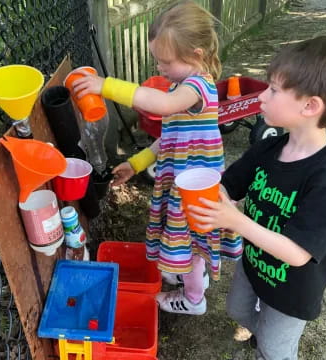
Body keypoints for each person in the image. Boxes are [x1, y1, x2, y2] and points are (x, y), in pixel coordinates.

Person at [187, 36, 326, 358]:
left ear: (310, 105)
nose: (262, 96)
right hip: (254, 264)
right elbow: (230, 183)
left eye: (272, 89)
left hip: (292, 291)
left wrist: (236, 221)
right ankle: (262, 336)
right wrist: (217, 198)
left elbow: (298, 254)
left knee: (274, 348)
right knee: (238, 311)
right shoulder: (269, 148)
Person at [71, 0, 242, 315]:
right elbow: (169, 138)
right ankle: (192, 275)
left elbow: (161, 104)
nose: (159, 68)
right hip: (184, 181)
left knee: (190, 246)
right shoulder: (183, 83)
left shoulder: (197, 88)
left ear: (196, 56)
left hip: (193, 190)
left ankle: (192, 300)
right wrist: (136, 163)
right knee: (191, 241)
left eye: (165, 62)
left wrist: (105, 86)